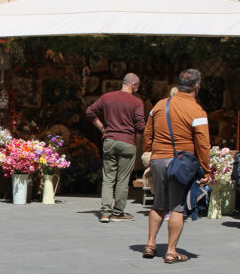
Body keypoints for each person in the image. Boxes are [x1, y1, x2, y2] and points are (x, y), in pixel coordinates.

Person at [143, 69, 211, 263]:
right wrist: (206, 169)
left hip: (158, 159)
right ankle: (171, 251)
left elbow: (148, 132)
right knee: (177, 207)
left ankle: (150, 244)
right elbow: (203, 143)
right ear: (197, 87)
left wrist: (151, 151)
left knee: (158, 203)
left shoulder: (159, 105)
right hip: (180, 163)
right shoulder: (197, 110)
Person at [85, 72, 145, 222]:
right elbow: (140, 126)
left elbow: (90, 112)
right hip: (127, 142)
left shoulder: (107, 97)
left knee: (108, 178)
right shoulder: (137, 102)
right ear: (134, 85)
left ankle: (105, 213)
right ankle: (118, 212)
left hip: (110, 140)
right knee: (123, 179)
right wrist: (137, 144)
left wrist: (102, 128)